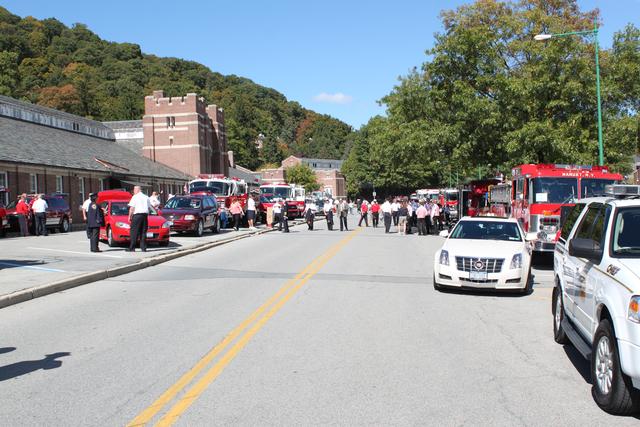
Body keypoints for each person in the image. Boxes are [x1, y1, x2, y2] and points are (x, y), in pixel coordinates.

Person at [127, 186, 151, 252]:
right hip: (144, 215)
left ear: (137, 190)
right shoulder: (146, 197)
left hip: (137, 215)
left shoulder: (135, 197)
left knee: (134, 232)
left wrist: (129, 216)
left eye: (134, 190)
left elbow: (132, 208)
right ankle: (143, 248)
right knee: (143, 232)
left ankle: (132, 248)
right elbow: (149, 208)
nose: (133, 191)